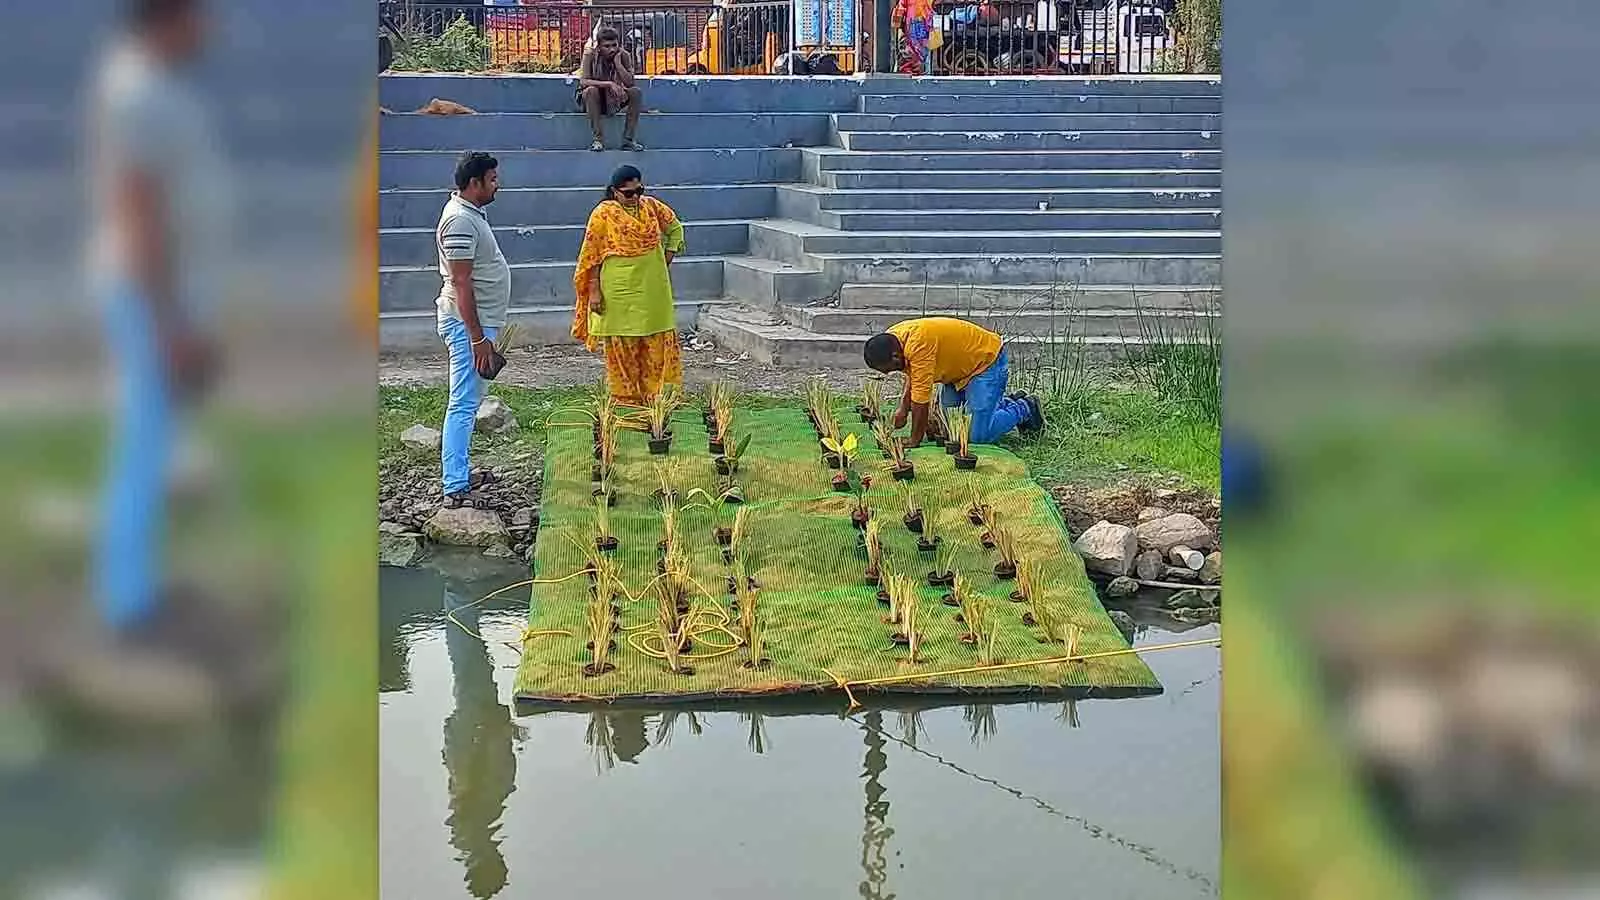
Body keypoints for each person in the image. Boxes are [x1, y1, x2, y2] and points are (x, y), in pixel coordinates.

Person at [570, 165, 685, 407]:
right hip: (619, 293)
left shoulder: (652, 207)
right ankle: (627, 404)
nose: (636, 197)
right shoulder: (603, 214)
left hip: (653, 292)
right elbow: (591, 256)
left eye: (639, 190)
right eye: (629, 193)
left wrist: (669, 254)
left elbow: (675, 228)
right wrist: (593, 291)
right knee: (623, 349)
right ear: (615, 192)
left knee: (655, 344)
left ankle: (657, 404)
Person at [435, 151, 512, 507]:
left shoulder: (470, 215)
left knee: (468, 400)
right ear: (474, 182)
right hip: (468, 326)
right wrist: (478, 339)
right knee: (463, 403)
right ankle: (454, 486)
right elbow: (461, 283)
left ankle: (460, 474)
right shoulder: (460, 222)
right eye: (492, 179)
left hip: (477, 323)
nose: (497, 184)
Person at [863, 317, 1044, 447]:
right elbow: (915, 376)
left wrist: (914, 440)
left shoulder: (918, 344)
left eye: (891, 369)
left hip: (984, 364)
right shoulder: (894, 340)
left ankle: (1025, 407)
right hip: (956, 372)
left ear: (895, 356)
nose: (892, 373)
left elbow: (921, 401)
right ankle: (1003, 403)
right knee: (952, 428)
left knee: (976, 436)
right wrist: (903, 410)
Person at [576, 26, 643, 152]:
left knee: (636, 93)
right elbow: (584, 81)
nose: (612, 49)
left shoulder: (624, 55)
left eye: (614, 45)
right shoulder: (590, 54)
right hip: (592, 98)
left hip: (614, 97)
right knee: (591, 91)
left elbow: (630, 82)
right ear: (599, 47)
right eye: (607, 46)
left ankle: (628, 140)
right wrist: (609, 84)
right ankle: (598, 139)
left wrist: (618, 64)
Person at [892, 0, 936, 75]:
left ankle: (914, 70)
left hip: (915, 23)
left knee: (913, 52)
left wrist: (896, 25)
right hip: (924, 23)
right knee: (922, 53)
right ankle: (923, 71)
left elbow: (899, 10)